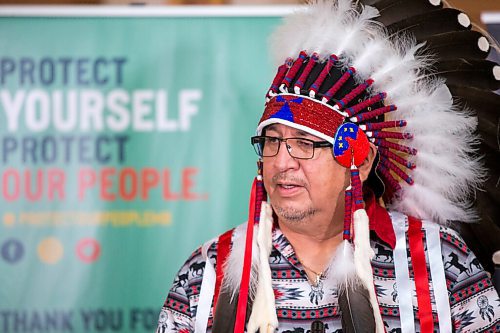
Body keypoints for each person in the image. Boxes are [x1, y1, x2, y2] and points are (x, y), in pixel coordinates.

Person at [156, 1, 500, 332]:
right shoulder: (207, 273)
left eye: (305, 145)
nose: (281, 162)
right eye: (272, 141)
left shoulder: (442, 262)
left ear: (361, 163)